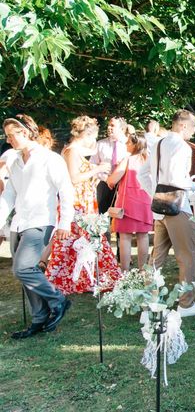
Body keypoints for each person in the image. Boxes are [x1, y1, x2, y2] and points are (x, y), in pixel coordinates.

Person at [0, 114, 74, 339]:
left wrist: (65, 222)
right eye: (7, 136)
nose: (9, 140)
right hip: (19, 222)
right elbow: (10, 195)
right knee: (26, 274)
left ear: (25, 132)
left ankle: (58, 300)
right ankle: (39, 318)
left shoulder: (50, 159)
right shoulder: (13, 160)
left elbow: (66, 190)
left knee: (22, 268)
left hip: (41, 220)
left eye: (12, 136)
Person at [139, 110, 195, 317]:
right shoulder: (181, 146)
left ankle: (149, 305)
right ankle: (186, 305)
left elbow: (142, 174)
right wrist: (192, 186)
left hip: (160, 210)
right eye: (193, 126)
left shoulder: (159, 143)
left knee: (156, 259)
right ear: (182, 126)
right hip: (178, 208)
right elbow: (176, 178)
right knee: (187, 256)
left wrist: (154, 193)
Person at [46, 116, 121, 294]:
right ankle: (63, 279)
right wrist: (97, 169)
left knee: (87, 241)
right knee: (72, 241)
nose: (94, 141)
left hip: (86, 201)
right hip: (75, 202)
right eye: (93, 136)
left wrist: (94, 178)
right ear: (86, 134)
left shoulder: (77, 151)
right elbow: (73, 178)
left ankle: (86, 277)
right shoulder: (71, 151)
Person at [107, 129, 153, 270]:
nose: (126, 144)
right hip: (145, 201)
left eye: (128, 142)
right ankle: (142, 269)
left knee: (125, 237)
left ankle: (125, 271)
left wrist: (110, 179)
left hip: (127, 203)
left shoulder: (127, 159)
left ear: (135, 144)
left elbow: (113, 180)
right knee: (143, 236)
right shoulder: (150, 159)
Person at [91, 117, 129, 215]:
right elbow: (92, 164)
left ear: (122, 129)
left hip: (123, 184)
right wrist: (106, 178)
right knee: (103, 214)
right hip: (104, 184)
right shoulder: (100, 144)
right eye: (108, 125)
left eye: (112, 125)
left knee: (121, 215)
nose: (109, 127)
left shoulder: (129, 145)